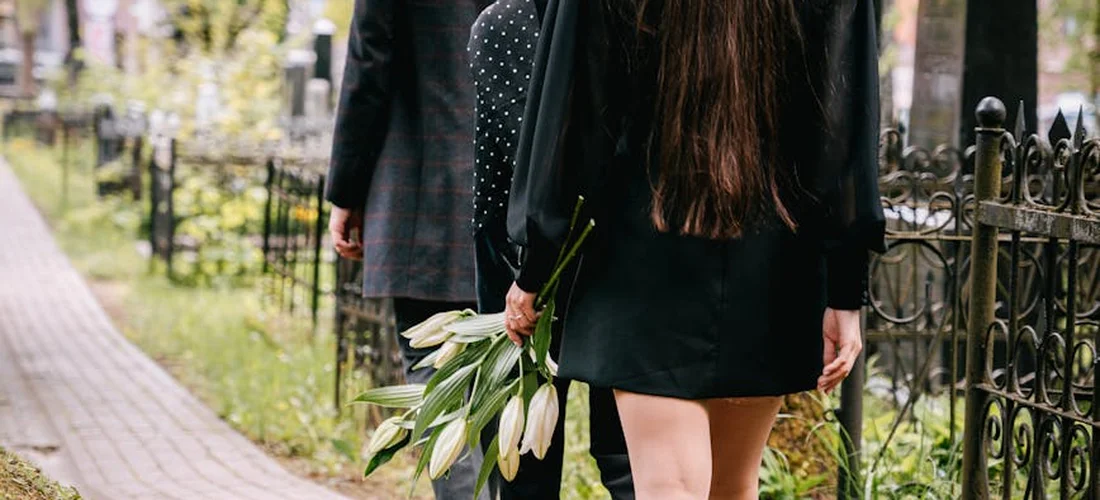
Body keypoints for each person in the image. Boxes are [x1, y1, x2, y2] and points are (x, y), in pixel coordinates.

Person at [502, 1, 886, 499]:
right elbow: (842, 119)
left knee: (673, 488)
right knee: (732, 487)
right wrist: (845, 288)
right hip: (771, 253)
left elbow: (574, 111)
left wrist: (537, 264)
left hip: (647, 252)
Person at [325, 1, 492, 498]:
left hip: (428, 212)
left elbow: (369, 64)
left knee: (445, 409)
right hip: (521, 198)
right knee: (510, 413)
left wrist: (347, 191)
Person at [468, 1, 633, 498]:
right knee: (632, 461)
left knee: (524, 464)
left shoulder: (501, 26)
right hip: (632, 264)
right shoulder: (640, 20)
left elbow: (497, 188)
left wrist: (508, 286)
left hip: (534, 273)